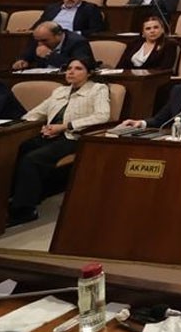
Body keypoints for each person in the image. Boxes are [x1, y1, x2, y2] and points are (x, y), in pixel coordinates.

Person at [9, 57, 111, 225]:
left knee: (32, 159)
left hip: (76, 137)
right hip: (52, 134)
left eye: (78, 68)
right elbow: (37, 112)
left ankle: (25, 210)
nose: (71, 72)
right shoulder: (60, 91)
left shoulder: (97, 89)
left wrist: (65, 126)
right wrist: (18, 125)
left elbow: (102, 116)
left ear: (89, 73)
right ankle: (17, 197)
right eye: (69, 68)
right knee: (20, 147)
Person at [12, 22, 95, 71]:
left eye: (45, 40)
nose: (40, 44)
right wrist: (22, 61)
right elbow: (26, 55)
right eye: (38, 41)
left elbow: (81, 66)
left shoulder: (77, 42)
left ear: (59, 35)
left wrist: (50, 56)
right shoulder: (39, 39)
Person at [35, 0, 105, 36]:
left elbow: (97, 29)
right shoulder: (52, 7)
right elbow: (40, 23)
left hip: (72, 38)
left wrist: (76, 33)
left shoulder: (90, 8)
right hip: (49, 36)